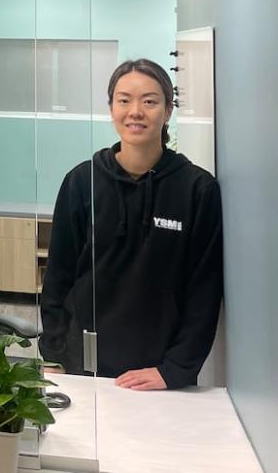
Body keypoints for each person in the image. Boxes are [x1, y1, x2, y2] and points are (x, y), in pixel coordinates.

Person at [39, 58, 223, 390]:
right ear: (111, 108)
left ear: (167, 111)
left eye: (149, 101)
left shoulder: (198, 190)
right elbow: (58, 276)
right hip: (82, 366)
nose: (135, 111)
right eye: (124, 100)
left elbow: (204, 292)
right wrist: (53, 357)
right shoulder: (83, 181)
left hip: (158, 375)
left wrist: (174, 369)